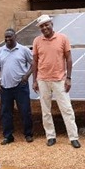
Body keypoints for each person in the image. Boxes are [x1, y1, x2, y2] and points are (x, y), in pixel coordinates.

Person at [32, 14, 81, 148]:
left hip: (59, 80)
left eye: (46, 24)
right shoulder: (37, 41)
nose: (44, 28)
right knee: (45, 111)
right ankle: (50, 136)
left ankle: (73, 137)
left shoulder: (63, 38)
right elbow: (35, 61)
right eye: (42, 26)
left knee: (67, 109)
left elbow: (69, 58)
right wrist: (34, 80)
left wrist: (68, 78)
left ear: (51, 24)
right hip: (42, 80)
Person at [0, 28, 34, 145]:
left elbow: (34, 63)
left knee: (25, 111)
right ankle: (8, 136)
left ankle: (28, 134)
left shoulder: (24, 50)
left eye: (10, 36)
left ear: (15, 37)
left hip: (21, 86)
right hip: (5, 87)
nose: (7, 39)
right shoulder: (0, 51)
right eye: (6, 37)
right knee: (5, 113)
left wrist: (26, 76)